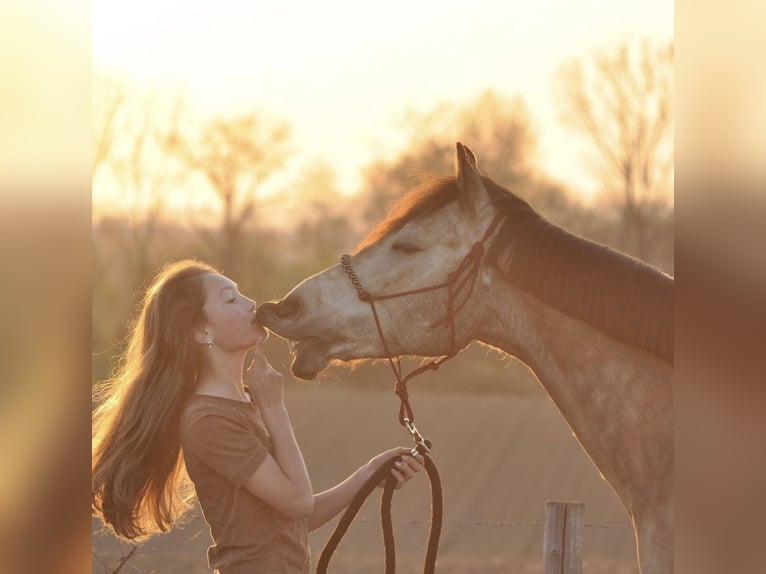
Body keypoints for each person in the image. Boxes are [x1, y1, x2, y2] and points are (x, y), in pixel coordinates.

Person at [92, 259, 424, 573]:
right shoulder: (208, 420)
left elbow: (291, 520)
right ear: (200, 332)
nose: (251, 303)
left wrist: (369, 474)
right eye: (230, 299)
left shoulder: (245, 402)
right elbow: (298, 502)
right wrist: (274, 407)